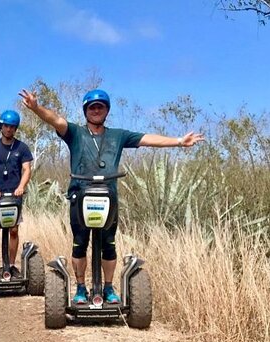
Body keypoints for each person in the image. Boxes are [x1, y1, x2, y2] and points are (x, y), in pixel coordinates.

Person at [19, 88, 205, 304]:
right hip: (80, 194)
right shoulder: (75, 133)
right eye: (92, 107)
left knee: (109, 244)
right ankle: (80, 289)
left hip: (108, 197)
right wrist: (36, 108)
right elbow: (57, 120)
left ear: (106, 110)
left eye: (100, 107)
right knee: (80, 243)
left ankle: (108, 288)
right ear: (86, 111)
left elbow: (147, 139)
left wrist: (179, 141)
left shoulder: (118, 135)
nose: (96, 110)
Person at [0, 110, 33, 280]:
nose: (9, 129)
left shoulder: (22, 148)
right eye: (6, 126)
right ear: (1, 127)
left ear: (16, 128)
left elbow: (26, 169)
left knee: (14, 230)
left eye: (12, 127)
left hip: (14, 195)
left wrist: (21, 186)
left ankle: (10, 264)